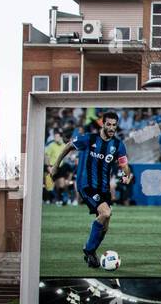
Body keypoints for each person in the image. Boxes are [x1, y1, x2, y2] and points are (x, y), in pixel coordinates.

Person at [47, 111, 134, 268]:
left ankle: (92, 253)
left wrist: (127, 175)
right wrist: (55, 166)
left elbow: (124, 165)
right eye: (109, 124)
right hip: (86, 185)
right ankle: (88, 249)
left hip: (103, 188)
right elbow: (68, 146)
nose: (112, 128)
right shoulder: (89, 138)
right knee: (105, 212)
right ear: (102, 123)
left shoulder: (118, 145)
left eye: (114, 125)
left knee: (105, 224)